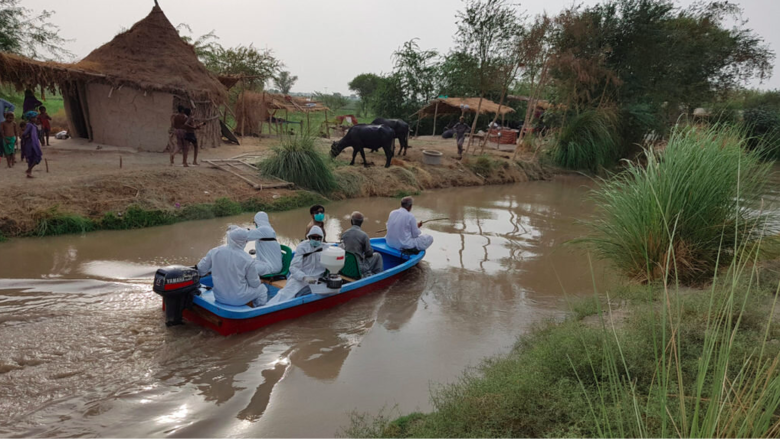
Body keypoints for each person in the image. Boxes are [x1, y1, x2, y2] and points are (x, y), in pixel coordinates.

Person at [197, 226, 268, 307]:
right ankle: (258, 310)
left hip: (219, 297)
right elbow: (254, 284)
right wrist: (259, 282)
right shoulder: (247, 259)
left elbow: (201, 269)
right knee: (262, 289)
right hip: (238, 299)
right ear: (245, 241)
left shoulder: (214, 251)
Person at [265, 226, 327, 306]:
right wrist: (304, 277)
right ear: (309, 237)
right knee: (285, 294)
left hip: (317, 280)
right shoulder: (302, 247)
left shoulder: (326, 248)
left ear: (322, 238)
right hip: (300, 279)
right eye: (313, 237)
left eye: (318, 238)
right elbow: (293, 267)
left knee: (332, 289)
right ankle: (268, 308)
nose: (316, 240)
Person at [341, 211, 383, 276]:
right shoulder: (364, 235)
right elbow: (369, 253)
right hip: (358, 267)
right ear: (361, 223)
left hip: (345, 265)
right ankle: (376, 276)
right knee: (377, 256)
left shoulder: (344, 234)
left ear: (351, 221)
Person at [253, 211, 283, 276]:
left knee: (247, 268)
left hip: (271, 267)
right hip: (267, 264)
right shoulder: (269, 229)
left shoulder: (263, 229)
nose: (255, 224)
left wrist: (235, 230)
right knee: (247, 262)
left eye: (254, 222)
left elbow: (247, 235)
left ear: (258, 221)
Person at [20, 112, 42, 178]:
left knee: (35, 158)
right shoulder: (29, 125)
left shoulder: (34, 125)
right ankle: (29, 171)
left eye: (36, 117)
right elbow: (24, 134)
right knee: (35, 157)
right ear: (30, 118)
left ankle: (29, 171)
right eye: (34, 118)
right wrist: (28, 137)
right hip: (31, 144)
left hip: (34, 143)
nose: (35, 119)